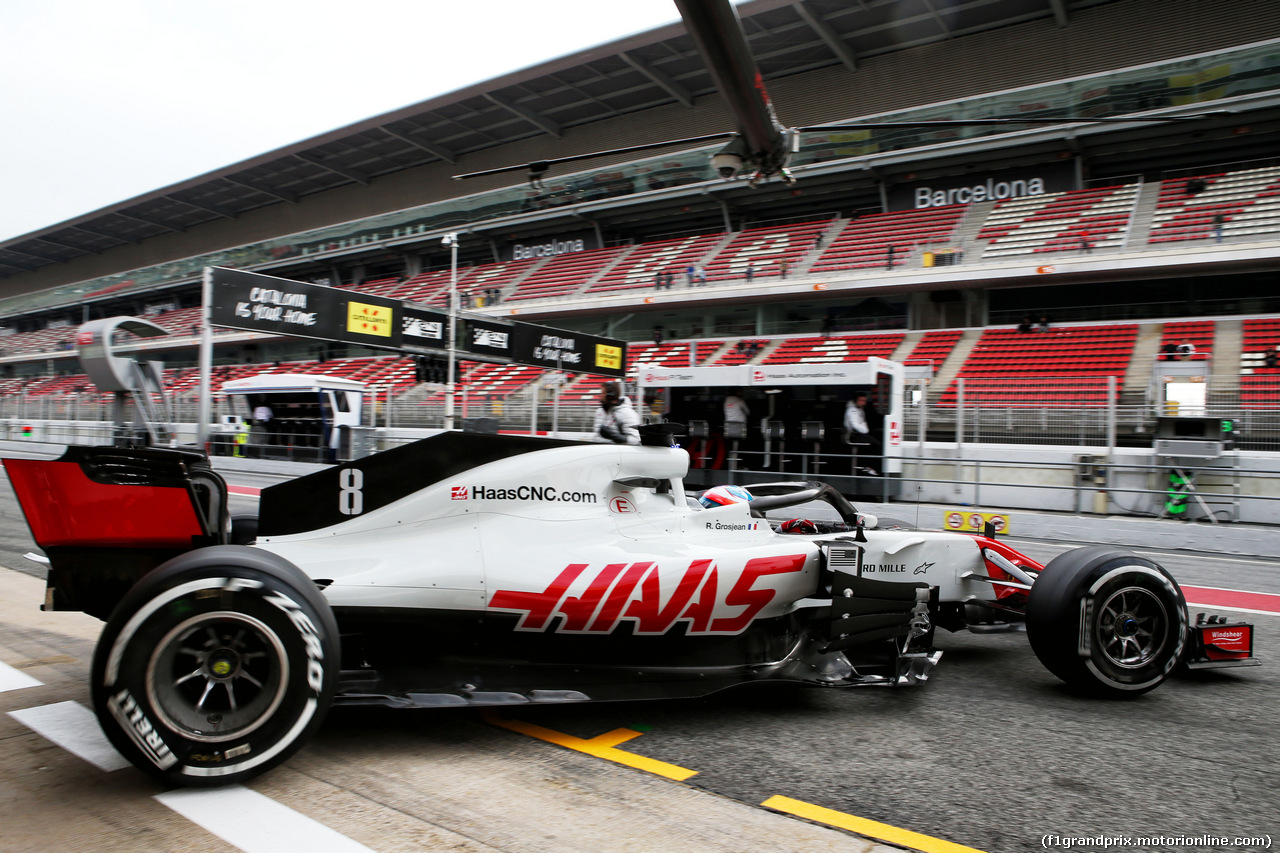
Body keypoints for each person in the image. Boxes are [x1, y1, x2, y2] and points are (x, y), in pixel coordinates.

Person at [843, 391, 879, 475]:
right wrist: (865, 430)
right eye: (861, 400)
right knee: (876, 445)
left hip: (858, 434)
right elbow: (856, 425)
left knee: (874, 443)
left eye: (864, 401)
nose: (863, 403)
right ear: (856, 400)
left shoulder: (859, 410)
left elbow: (863, 424)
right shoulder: (852, 410)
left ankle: (867, 466)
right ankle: (869, 466)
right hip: (852, 435)